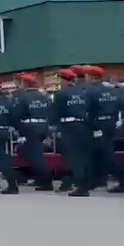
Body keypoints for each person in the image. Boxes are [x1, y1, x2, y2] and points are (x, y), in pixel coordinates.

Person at [51, 68, 91, 197]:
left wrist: (53, 126)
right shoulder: (82, 92)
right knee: (75, 156)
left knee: (73, 157)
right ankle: (68, 182)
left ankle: (81, 187)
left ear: (63, 80)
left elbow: (55, 112)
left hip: (68, 126)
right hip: (82, 125)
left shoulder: (62, 94)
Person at [12, 73, 53, 190]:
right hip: (43, 126)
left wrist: (20, 130)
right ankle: (40, 179)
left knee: (35, 156)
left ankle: (46, 181)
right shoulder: (44, 96)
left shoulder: (23, 97)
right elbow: (51, 112)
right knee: (36, 154)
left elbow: (16, 115)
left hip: (30, 127)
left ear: (25, 83)